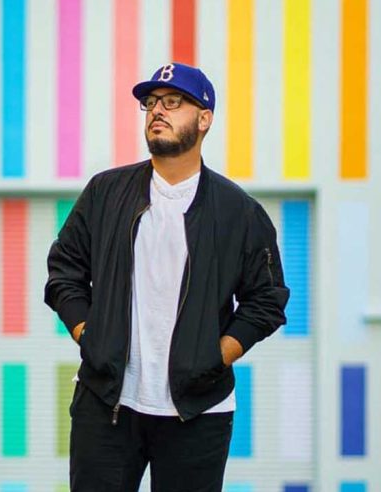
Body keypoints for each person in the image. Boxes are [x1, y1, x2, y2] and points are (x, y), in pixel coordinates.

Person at [44, 62, 290, 492]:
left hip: (198, 411)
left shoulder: (239, 212)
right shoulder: (105, 193)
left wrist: (215, 357)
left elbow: (266, 300)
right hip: (106, 404)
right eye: (151, 102)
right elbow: (64, 271)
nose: (157, 110)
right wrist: (89, 335)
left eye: (174, 102)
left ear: (205, 119)